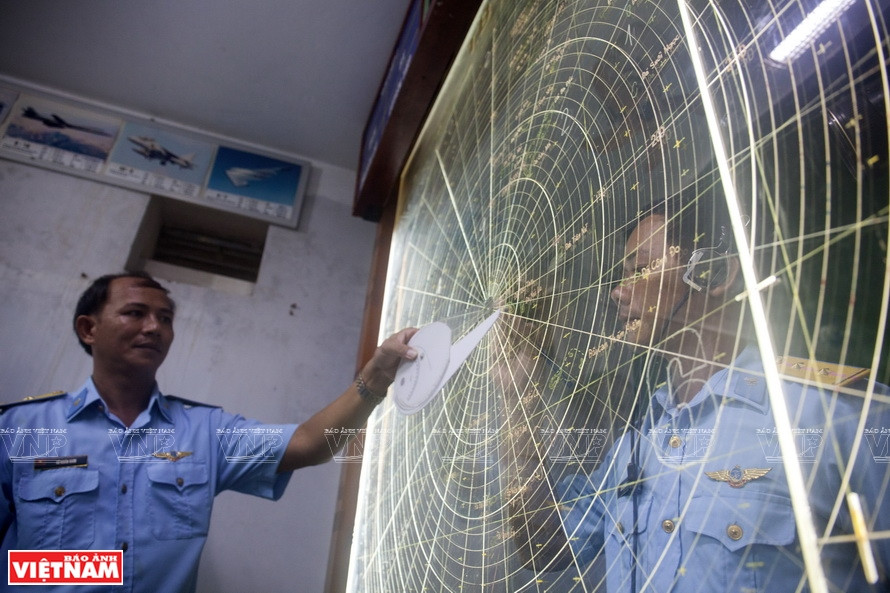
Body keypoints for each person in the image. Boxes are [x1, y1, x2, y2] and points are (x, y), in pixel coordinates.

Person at [505, 196, 890, 592]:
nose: (617, 293)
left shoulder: (833, 417)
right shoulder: (635, 447)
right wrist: (517, 403)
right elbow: (544, 547)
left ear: (712, 274)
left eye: (639, 270)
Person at [0, 271, 417, 592]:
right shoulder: (21, 428)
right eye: (135, 313)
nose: (154, 327)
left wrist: (376, 375)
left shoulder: (203, 431)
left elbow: (310, 444)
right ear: (89, 329)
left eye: (165, 318)